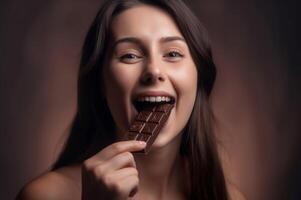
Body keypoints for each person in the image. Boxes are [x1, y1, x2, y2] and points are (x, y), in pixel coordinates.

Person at [17, 0, 245, 199]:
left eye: (173, 53)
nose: (154, 70)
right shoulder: (45, 196)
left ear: (199, 78)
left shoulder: (227, 197)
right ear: (101, 83)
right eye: (130, 55)